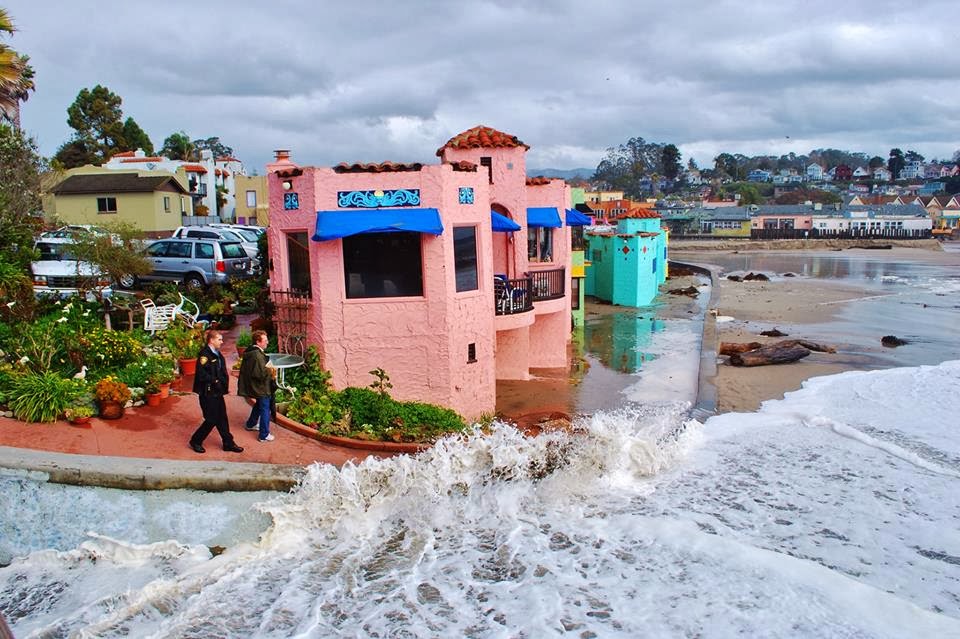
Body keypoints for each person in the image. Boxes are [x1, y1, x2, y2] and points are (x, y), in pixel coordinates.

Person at [189, 329, 243, 454]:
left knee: (222, 418)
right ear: (211, 340)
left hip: (217, 392)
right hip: (207, 393)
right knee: (211, 419)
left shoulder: (217, 354)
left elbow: (221, 370)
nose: (222, 342)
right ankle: (196, 440)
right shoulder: (205, 355)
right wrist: (216, 381)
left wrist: (222, 385)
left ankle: (228, 443)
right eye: (219, 339)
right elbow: (201, 375)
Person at [237, 329, 275, 442]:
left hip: (254, 385)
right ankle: (264, 435)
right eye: (265, 340)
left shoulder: (251, 351)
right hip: (261, 387)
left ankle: (250, 424)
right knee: (265, 409)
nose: (267, 342)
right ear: (258, 342)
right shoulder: (257, 355)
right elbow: (261, 374)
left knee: (259, 405)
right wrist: (272, 370)